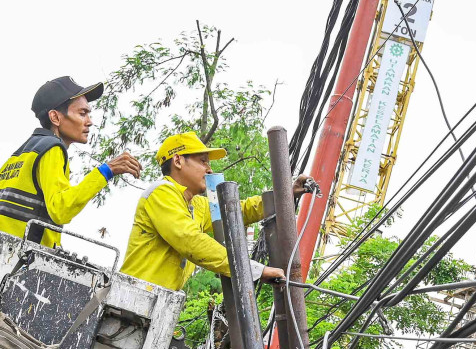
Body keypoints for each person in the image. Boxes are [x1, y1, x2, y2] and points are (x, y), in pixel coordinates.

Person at [120, 130, 308, 291]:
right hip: (132, 297)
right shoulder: (162, 193)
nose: (209, 170)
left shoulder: (197, 205)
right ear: (178, 160)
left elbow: (237, 212)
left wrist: (286, 195)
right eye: (203, 161)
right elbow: (191, 241)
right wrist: (253, 270)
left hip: (157, 303)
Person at [0, 76, 141, 248]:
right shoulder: (52, 148)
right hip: (19, 262)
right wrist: (107, 170)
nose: (89, 122)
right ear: (55, 117)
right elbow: (61, 210)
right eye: (82, 113)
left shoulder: (18, 155)